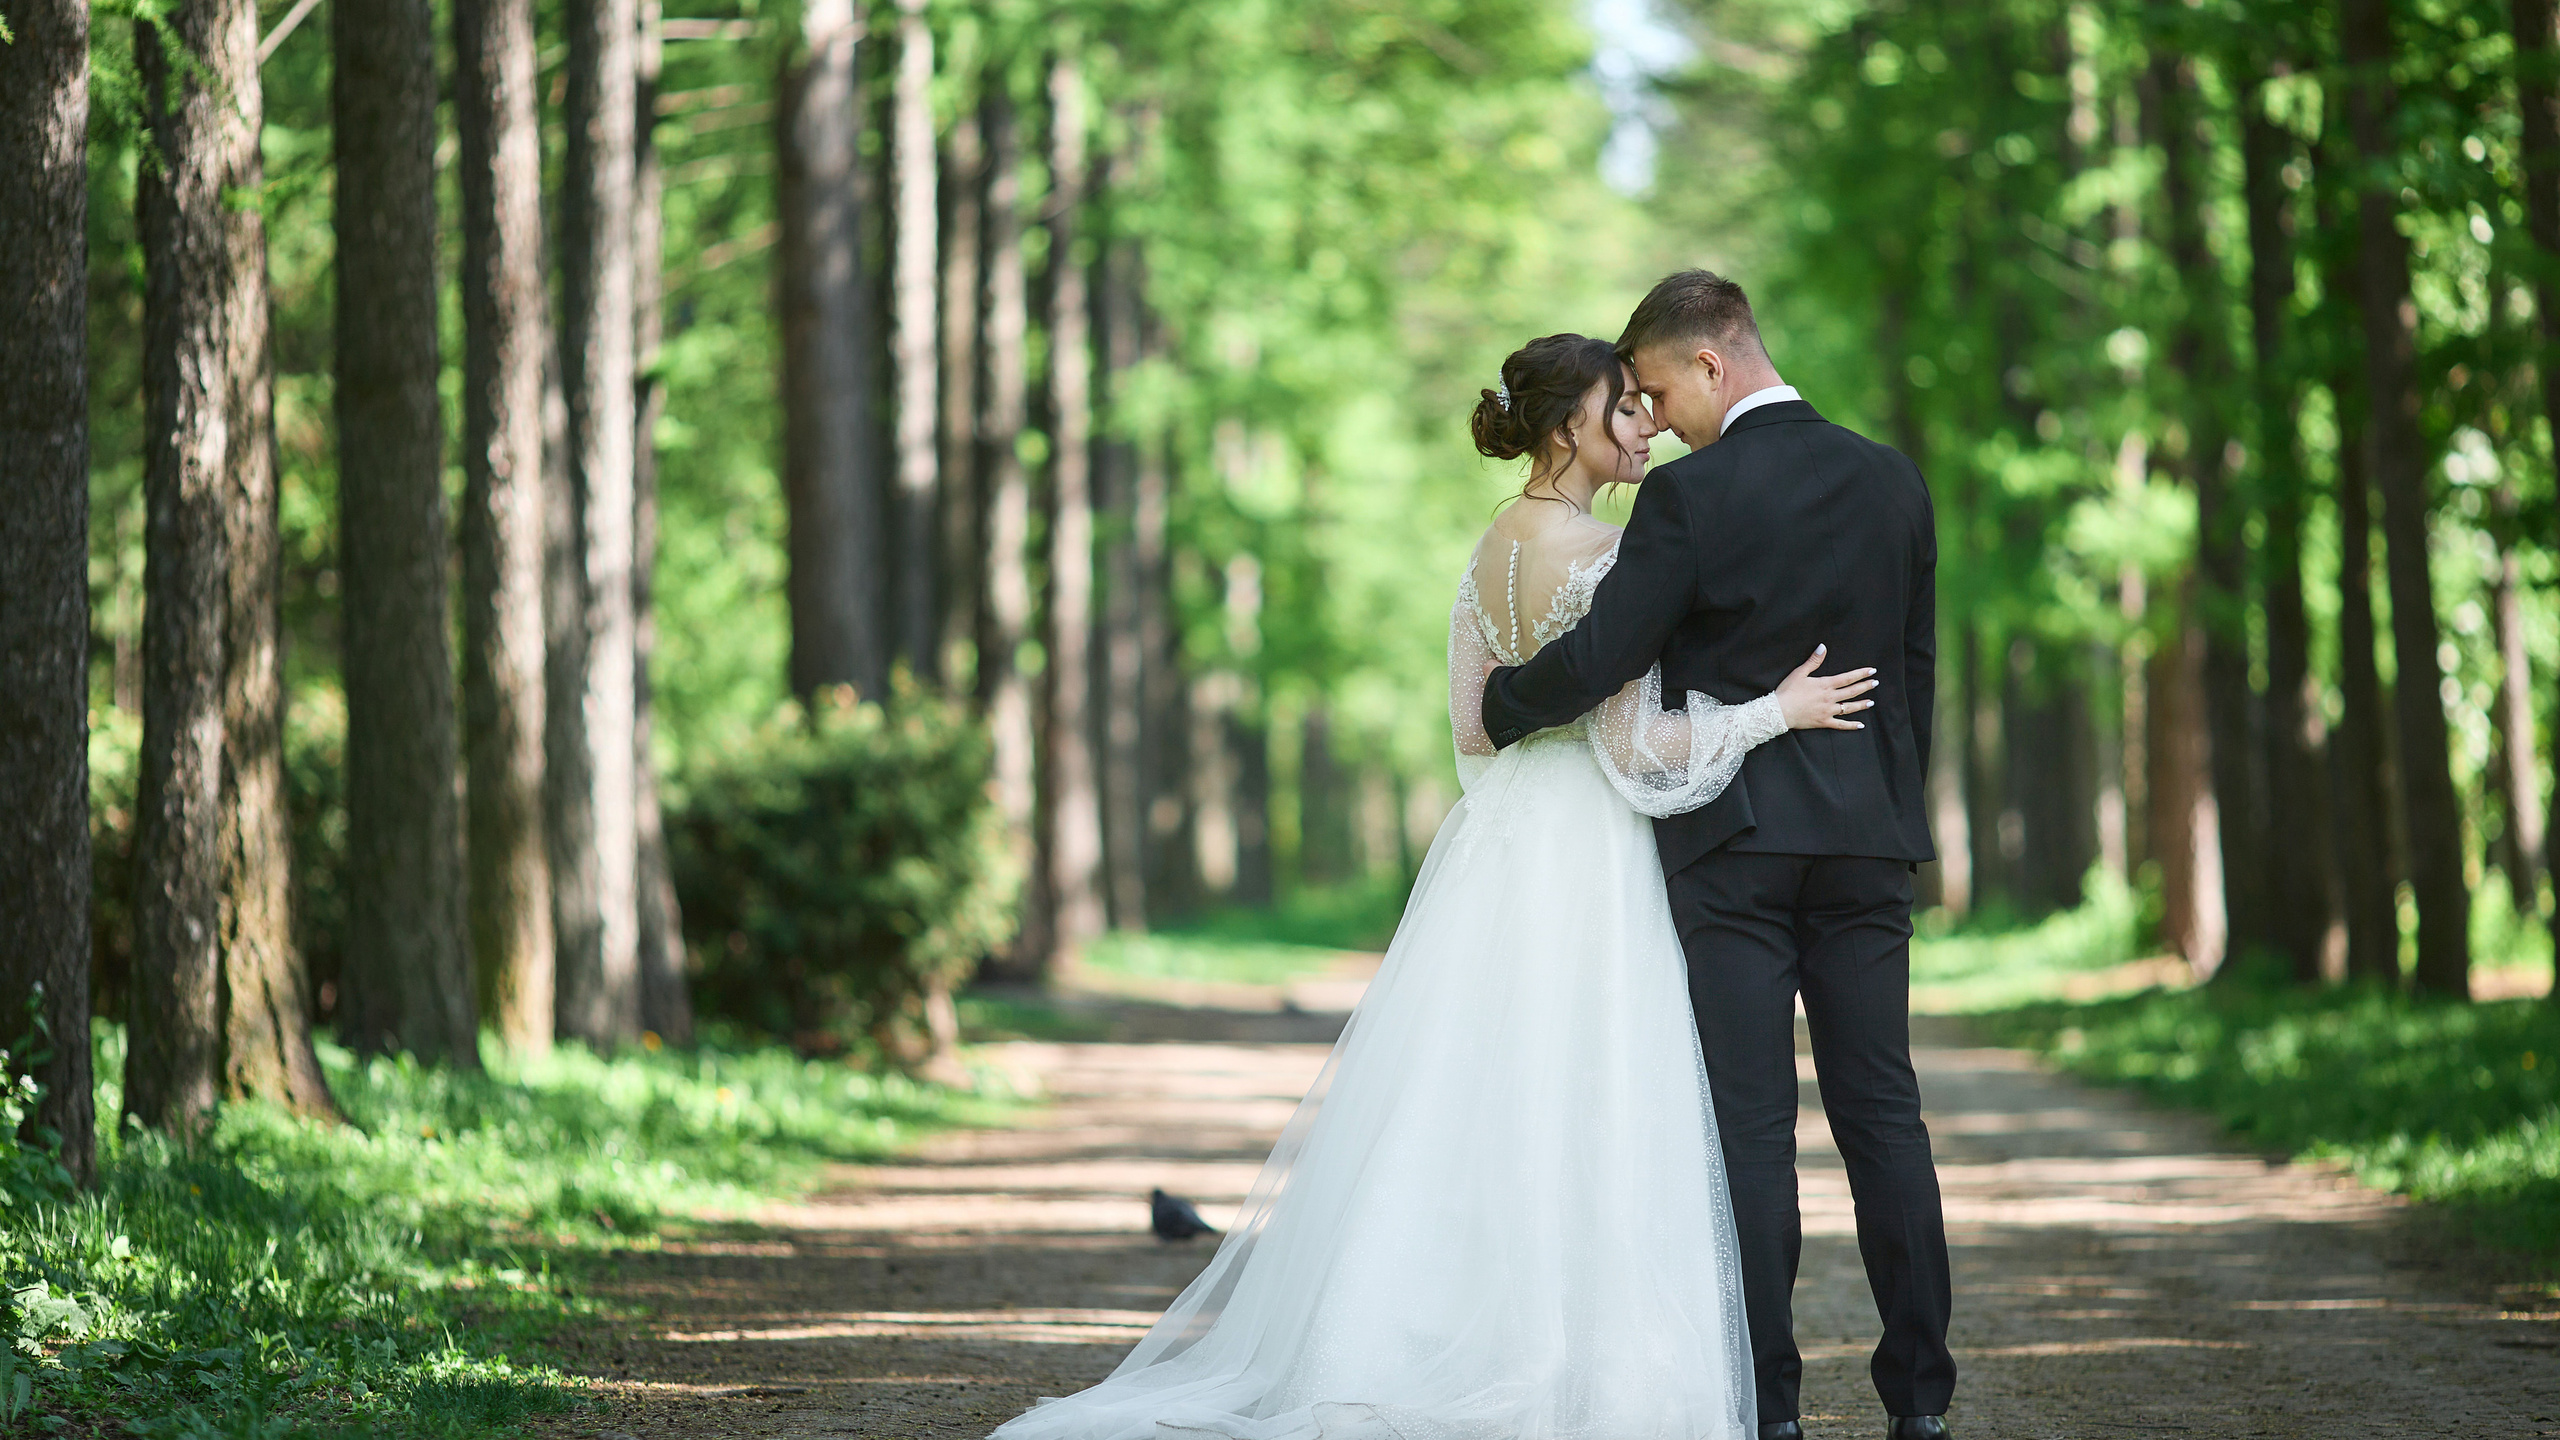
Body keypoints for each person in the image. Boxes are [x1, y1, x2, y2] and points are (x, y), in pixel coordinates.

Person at [986, 329, 1878, 1440]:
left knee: (1475, 1103)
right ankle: (1564, 1362)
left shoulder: (1487, 551)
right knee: (1588, 1099)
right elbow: (1639, 750)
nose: (1647, 424)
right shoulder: (1607, 559)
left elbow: (1475, 729)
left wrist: (1511, 813)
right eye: (1624, 409)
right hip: (1590, 856)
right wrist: (1767, 715)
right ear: (1569, 429)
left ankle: (1414, 1334)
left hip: (1497, 843)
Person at [1481, 271, 1954, 1440]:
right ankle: (1921, 1407)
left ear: (1711, 362)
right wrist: (1896, 820)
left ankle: (1770, 1410)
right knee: (1882, 1113)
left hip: (1732, 847)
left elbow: (1604, 657)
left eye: (1653, 389)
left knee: (1750, 1126)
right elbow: (1916, 670)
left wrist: (1501, 707)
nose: (1652, 418)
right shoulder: (1892, 481)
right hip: (1862, 845)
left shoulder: (1689, 502)